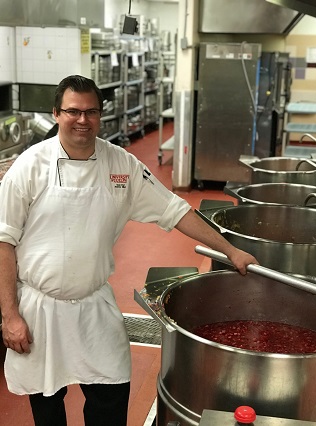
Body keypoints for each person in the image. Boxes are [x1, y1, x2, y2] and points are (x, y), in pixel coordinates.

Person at [0, 75, 258, 426]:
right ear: (56, 113)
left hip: (94, 305)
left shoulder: (120, 165)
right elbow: (5, 242)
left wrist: (230, 250)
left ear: (100, 116)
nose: (82, 120)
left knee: (111, 390)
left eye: (91, 111)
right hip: (40, 309)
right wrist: (11, 317)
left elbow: (175, 209)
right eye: (73, 111)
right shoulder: (29, 168)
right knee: (47, 403)